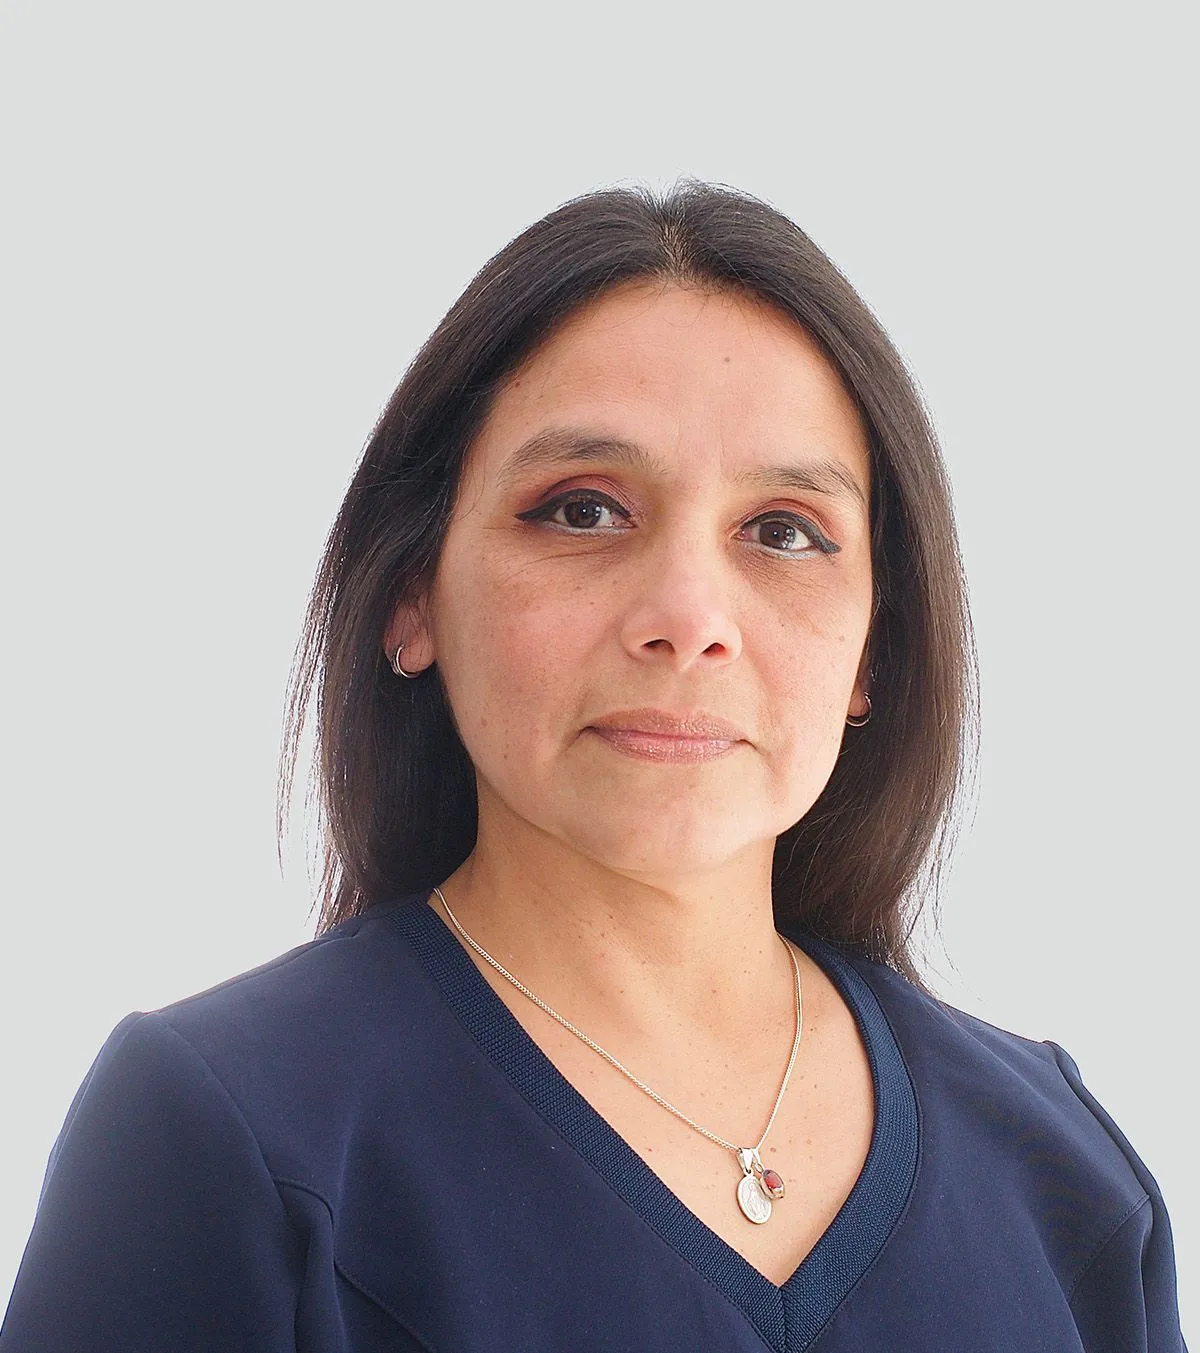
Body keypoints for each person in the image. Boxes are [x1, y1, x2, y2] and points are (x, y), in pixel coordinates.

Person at [1, 182, 1187, 1353]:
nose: (688, 619)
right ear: (413, 595)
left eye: (783, 531)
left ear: (874, 648)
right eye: (582, 511)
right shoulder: (223, 1135)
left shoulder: (1063, 1173)